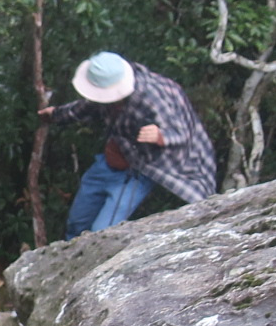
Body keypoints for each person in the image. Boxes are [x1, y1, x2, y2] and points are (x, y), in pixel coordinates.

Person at [41, 51, 218, 238]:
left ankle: (98, 256)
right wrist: (55, 114)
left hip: (137, 171)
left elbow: (183, 132)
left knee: (100, 232)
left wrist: (160, 135)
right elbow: (86, 107)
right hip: (110, 161)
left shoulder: (151, 97)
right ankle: (69, 253)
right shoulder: (106, 91)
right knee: (77, 222)